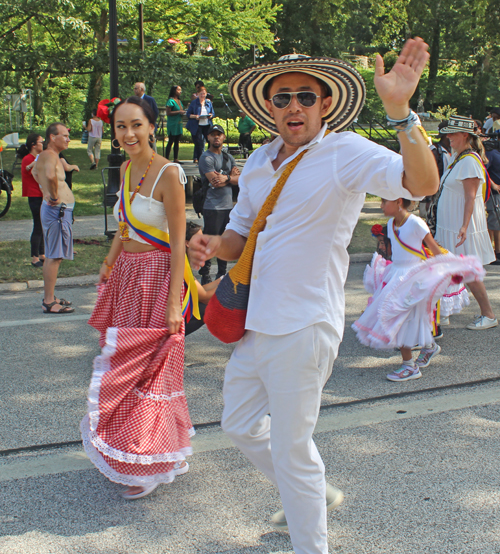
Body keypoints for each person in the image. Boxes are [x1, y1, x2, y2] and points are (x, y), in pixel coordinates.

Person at [189, 38, 440, 554]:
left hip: (306, 323)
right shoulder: (258, 161)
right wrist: (213, 243)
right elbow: (240, 235)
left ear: (325, 105)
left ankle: (311, 538)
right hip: (256, 321)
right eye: (283, 98)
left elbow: (423, 181)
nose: (295, 106)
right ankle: (317, 494)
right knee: (238, 424)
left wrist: (401, 112)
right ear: (269, 108)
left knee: (291, 449)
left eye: (307, 96)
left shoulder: (344, 153)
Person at [80, 96, 198, 500]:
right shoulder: (129, 168)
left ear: (152, 126)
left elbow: (179, 243)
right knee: (131, 366)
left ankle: (147, 460)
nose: (128, 134)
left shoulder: (171, 173)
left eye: (136, 125)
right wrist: (109, 261)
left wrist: (171, 302)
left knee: (150, 368)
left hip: (157, 277)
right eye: (120, 126)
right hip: (128, 277)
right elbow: (125, 227)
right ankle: (165, 450)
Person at [353, 198, 483, 381]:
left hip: (413, 278)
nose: (381, 205)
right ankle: (429, 346)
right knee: (411, 317)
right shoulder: (390, 223)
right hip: (396, 275)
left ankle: (409, 366)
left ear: (398, 201)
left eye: (384, 201)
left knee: (399, 318)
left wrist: (449, 269)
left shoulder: (415, 222)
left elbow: (433, 249)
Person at [435, 115, 498, 330]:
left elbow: (471, 197)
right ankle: (443, 313)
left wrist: (463, 226)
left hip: (461, 227)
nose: (448, 137)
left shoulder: (469, 161)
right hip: (451, 225)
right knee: (447, 268)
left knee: (468, 272)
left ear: (465, 135)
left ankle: (488, 315)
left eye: (452, 133)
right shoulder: (459, 158)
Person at [32, 123, 75, 314]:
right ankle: (49, 301)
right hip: (57, 210)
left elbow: (34, 172)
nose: (68, 139)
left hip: (58, 211)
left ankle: (51, 296)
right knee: (54, 256)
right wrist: (54, 195)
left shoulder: (49, 156)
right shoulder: (49, 155)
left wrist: (45, 190)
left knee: (55, 255)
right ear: (52, 137)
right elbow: (49, 175)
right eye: (64, 136)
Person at [197, 124, 240, 284]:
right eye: (213, 134)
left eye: (219, 134)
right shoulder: (206, 158)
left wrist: (227, 179)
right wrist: (230, 178)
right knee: (210, 241)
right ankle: (205, 275)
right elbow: (214, 182)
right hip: (212, 207)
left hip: (229, 207)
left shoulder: (228, 157)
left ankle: (222, 274)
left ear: (223, 137)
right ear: (208, 137)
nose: (216, 137)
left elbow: (239, 179)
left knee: (224, 241)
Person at [184, 221, 222, 336]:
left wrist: (223, 279)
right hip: (167, 319)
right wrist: (231, 283)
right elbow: (204, 297)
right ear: (187, 243)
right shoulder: (181, 262)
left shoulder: (182, 258)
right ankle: (173, 340)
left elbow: (199, 290)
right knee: (208, 307)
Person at [20, 133, 45, 268]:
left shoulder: (37, 158)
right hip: (34, 195)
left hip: (42, 195)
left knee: (42, 225)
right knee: (38, 224)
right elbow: (35, 173)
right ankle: (35, 257)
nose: (44, 143)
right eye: (42, 142)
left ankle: (42, 254)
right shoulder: (27, 159)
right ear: (33, 145)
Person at [186, 86, 214, 163]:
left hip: (207, 124)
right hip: (197, 125)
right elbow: (188, 114)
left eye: (204, 94)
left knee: (210, 140)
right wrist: (195, 116)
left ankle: (210, 157)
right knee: (199, 142)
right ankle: (200, 159)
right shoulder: (194, 103)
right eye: (201, 94)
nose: (203, 95)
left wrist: (211, 115)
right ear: (198, 94)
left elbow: (213, 113)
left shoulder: (208, 102)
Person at [165, 85, 186, 163]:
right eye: (178, 90)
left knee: (177, 141)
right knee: (171, 141)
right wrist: (178, 112)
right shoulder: (171, 101)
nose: (180, 91)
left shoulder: (179, 101)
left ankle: (175, 158)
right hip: (173, 124)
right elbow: (168, 112)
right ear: (174, 91)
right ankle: (166, 158)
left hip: (179, 123)